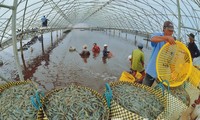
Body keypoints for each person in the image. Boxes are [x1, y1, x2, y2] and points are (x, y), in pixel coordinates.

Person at [142, 21, 176, 87]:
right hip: (152, 70)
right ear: (164, 29)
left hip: (162, 74)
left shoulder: (172, 43)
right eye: (169, 30)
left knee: (159, 92)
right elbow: (152, 39)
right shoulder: (159, 35)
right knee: (144, 89)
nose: (171, 33)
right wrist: (166, 38)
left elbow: (171, 59)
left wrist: (172, 72)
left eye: (172, 31)